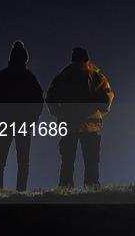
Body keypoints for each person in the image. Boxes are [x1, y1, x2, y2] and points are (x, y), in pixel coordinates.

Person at [46, 47, 114, 187]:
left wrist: (59, 113)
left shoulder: (63, 75)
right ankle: (91, 187)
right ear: (86, 58)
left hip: (69, 123)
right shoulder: (95, 75)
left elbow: (50, 97)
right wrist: (99, 112)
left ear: (72, 59)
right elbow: (106, 97)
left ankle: (65, 188)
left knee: (67, 161)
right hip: (90, 124)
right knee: (91, 161)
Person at [0, 41, 44, 191]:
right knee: (23, 162)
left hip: (5, 123)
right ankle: (21, 192)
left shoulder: (0, 77)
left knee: (0, 161)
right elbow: (39, 101)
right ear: (25, 59)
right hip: (24, 124)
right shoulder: (30, 78)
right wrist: (32, 120)